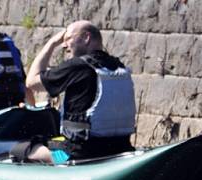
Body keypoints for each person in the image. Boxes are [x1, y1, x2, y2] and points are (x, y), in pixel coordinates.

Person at [21, 20, 136, 163]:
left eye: (68, 38)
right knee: (55, 140)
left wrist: (52, 43)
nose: (64, 45)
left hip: (82, 152)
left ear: (86, 37)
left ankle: (52, 161)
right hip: (121, 147)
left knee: (24, 149)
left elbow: (31, 82)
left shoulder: (77, 66)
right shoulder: (119, 66)